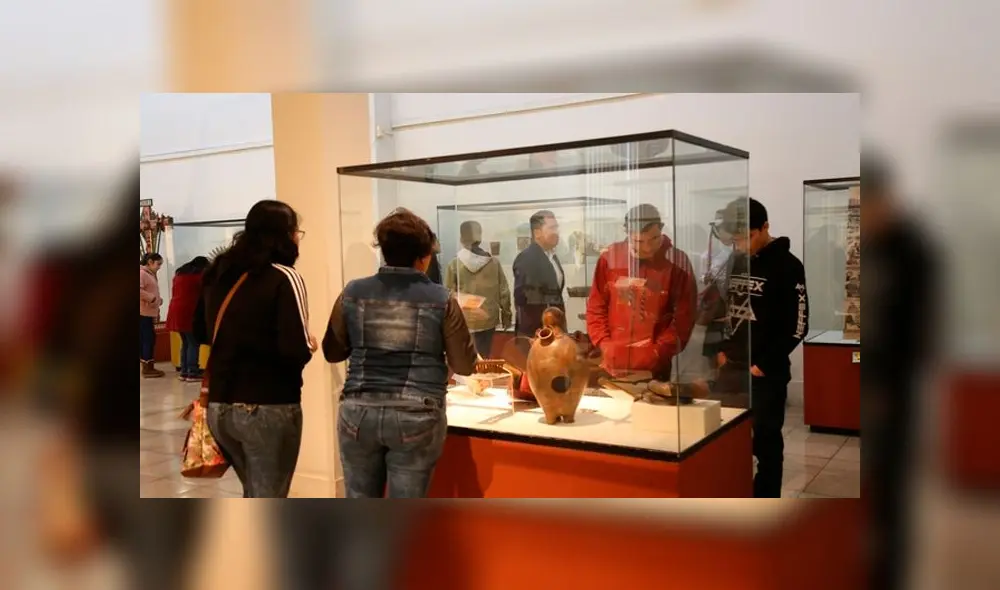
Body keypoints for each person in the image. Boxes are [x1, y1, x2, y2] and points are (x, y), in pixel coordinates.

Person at [323, 208, 477, 498]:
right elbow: (465, 365)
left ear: (384, 251)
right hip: (417, 413)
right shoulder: (442, 300)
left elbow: (332, 351)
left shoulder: (353, 292)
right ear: (424, 255)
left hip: (358, 411)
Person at [196, 200, 318, 498]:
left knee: (254, 491)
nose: (298, 238)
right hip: (267, 405)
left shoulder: (218, 273)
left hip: (220, 406)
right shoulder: (284, 276)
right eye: (296, 232)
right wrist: (309, 343)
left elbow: (200, 331)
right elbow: (295, 350)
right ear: (285, 235)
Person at [861, 155, 937, 590]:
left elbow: (922, 329)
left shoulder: (914, 251)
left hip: (895, 388)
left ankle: (889, 571)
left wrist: (888, 385)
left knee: (891, 489)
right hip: (869, 379)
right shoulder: (871, 247)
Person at [719, 197, 809, 498]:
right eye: (735, 240)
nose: (741, 245)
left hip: (765, 374)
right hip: (730, 369)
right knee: (725, 442)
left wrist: (764, 364)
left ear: (765, 227)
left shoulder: (789, 266)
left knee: (766, 445)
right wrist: (720, 350)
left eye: (747, 237)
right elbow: (725, 308)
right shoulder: (734, 261)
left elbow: (798, 325)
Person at [586, 204, 697, 378]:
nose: (647, 248)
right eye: (639, 241)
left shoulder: (677, 263)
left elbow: (684, 317)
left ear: (661, 229)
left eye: (654, 239)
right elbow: (596, 305)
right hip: (612, 362)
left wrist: (658, 351)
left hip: (655, 366)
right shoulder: (610, 258)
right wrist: (603, 343)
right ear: (628, 234)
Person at [445, 220, 512, 358]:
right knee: (484, 355)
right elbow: (504, 292)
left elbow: (448, 295)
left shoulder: (454, 264)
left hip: (464, 319)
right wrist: (507, 316)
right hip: (488, 318)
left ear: (462, 238)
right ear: (480, 237)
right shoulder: (493, 263)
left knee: (465, 359)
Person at [512, 210, 565, 338]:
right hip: (538, 335)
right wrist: (541, 335)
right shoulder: (526, 259)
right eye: (552, 228)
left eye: (556, 227)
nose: (556, 232)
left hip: (554, 331)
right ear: (537, 233)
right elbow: (526, 303)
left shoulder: (552, 256)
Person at [165, 256, 209, 382]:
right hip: (189, 312)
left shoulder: (178, 276)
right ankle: (192, 372)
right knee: (194, 343)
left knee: (186, 343)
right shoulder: (198, 278)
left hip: (176, 312)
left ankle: (184, 371)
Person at [139, 252, 165, 378]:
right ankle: (147, 368)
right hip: (143, 312)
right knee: (147, 339)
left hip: (148, 312)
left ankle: (149, 366)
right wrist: (153, 299)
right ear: (150, 262)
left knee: (149, 339)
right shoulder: (142, 273)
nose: (159, 267)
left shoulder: (149, 274)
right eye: (158, 264)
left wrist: (158, 301)